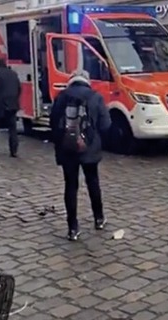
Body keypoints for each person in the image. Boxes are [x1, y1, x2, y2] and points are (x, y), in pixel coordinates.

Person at [49, 69, 112, 241]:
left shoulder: (61, 97)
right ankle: (99, 219)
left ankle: (72, 228)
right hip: (89, 148)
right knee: (93, 182)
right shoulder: (95, 97)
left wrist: (61, 141)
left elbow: (52, 122)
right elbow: (106, 125)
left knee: (70, 186)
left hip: (67, 149)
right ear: (86, 80)